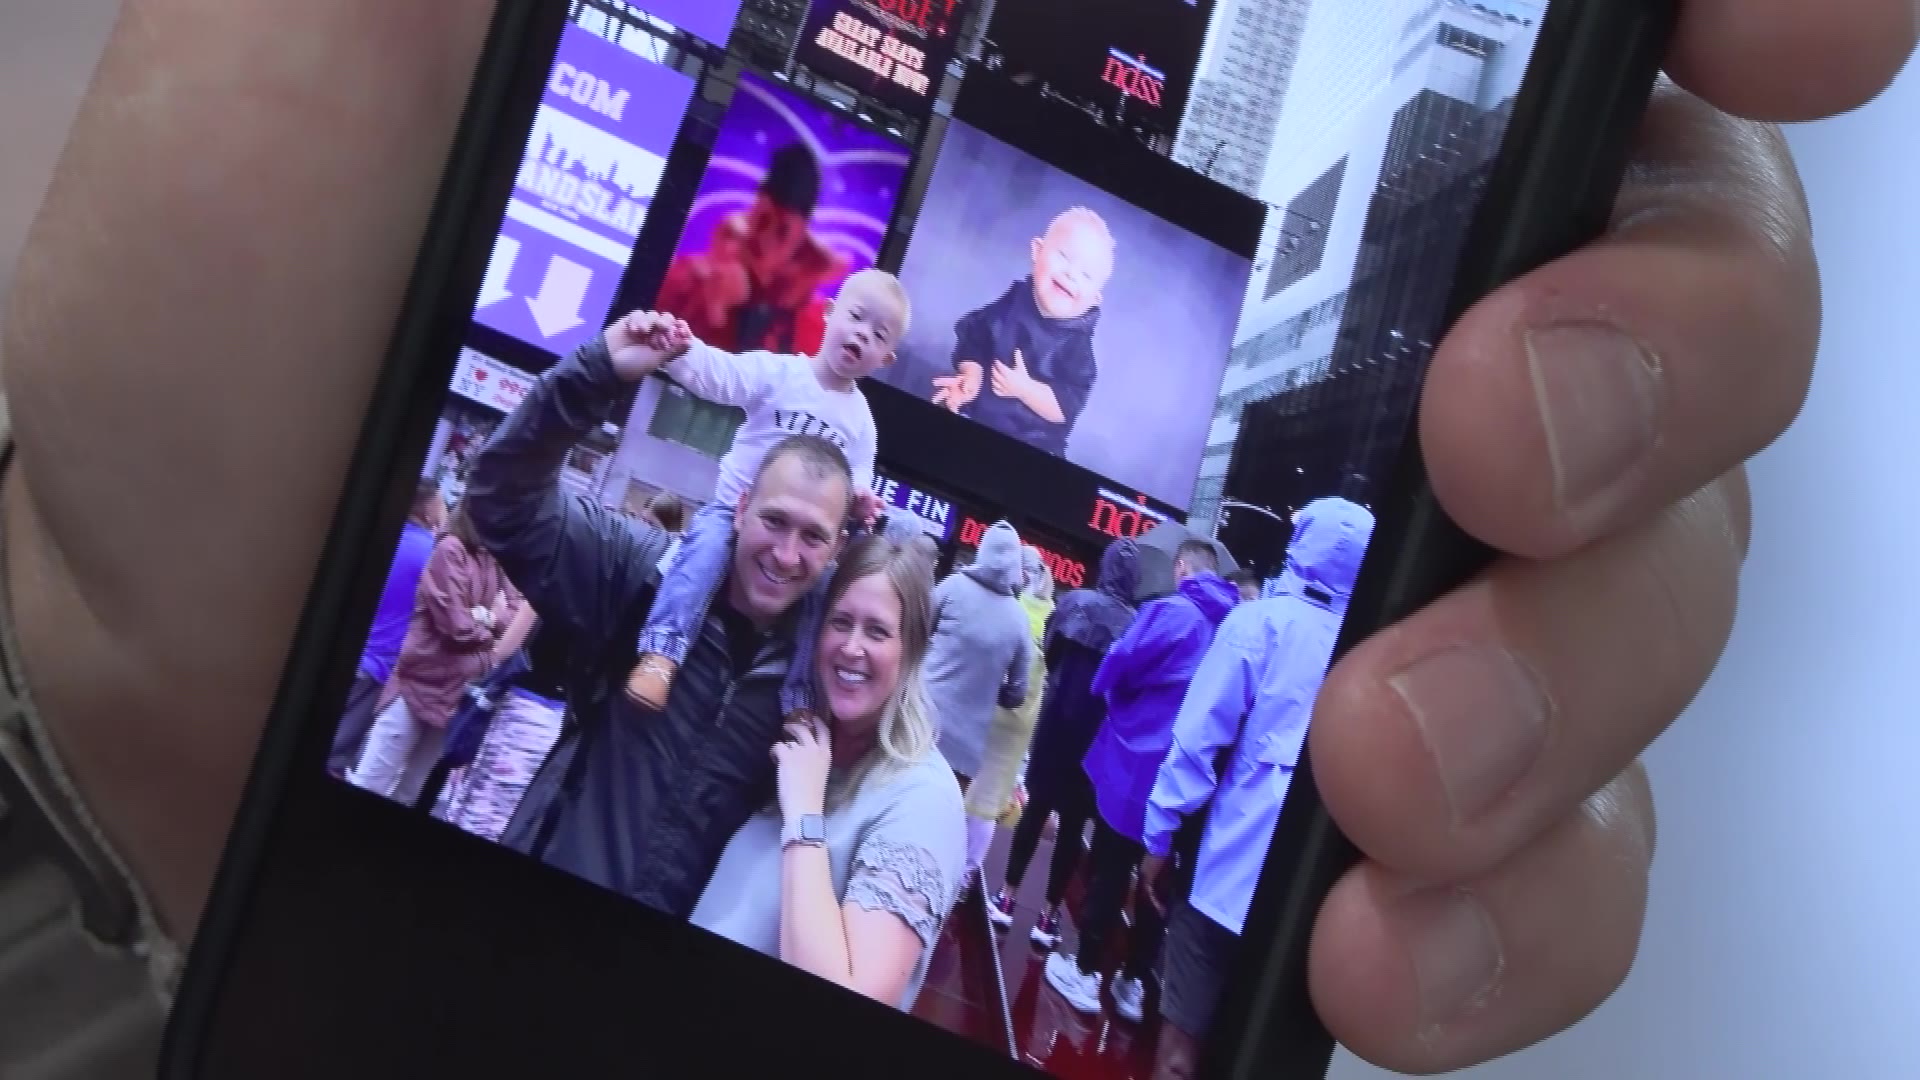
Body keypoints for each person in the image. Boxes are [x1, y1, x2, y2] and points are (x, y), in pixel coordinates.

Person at [0, 4, 1896, 1072]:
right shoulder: (663, 586)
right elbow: (522, 497)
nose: (793, 545)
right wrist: (594, 373)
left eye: (823, 538)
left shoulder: (841, 713)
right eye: (783, 510)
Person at [464, 307, 860, 915]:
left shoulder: (821, 679)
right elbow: (503, 501)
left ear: (837, 546)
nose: (786, 555)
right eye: (775, 521)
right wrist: (593, 374)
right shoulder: (640, 574)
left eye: (813, 537)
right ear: (741, 506)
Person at [1136, 498, 1376, 1076]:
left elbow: (1197, 741)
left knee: (1178, 1053)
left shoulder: (1257, 624)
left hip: (1223, 876)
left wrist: (1158, 838)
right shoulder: (1369, 651)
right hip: (1310, 911)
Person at [690, 537, 965, 1012]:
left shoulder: (924, 799)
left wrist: (803, 814)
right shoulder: (809, 743)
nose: (852, 648)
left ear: (912, 650)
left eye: (877, 632)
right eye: (841, 622)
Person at [623, 269, 903, 718]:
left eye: (878, 334)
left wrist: (862, 499)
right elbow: (721, 375)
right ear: (829, 314)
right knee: (702, 555)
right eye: (855, 317)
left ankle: (799, 703)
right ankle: (661, 655)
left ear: (885, 358)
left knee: (823, 597)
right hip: (732, 515)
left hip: (796, 539)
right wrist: (678, 349)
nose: (861, 334)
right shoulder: (780, 373)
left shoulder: (861, 423)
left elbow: (857, 480)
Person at [1045, 540, 1240, 1020]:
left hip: (1137, 765)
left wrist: (1115, 696)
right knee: (1158, 882)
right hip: (1193, 778)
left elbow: (1119, 663)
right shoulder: (1233, 627)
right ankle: (1132, 983)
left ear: (1181, 567)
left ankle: (1087, 972)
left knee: (1112, 867)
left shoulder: (1171, 611)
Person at [992, 539, 1143, 945]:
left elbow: (1050, 649)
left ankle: (1006, 897)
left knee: (1036, 808)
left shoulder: (1075, 602)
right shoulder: (1136, 624)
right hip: (1096, 740)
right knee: (1073, 827)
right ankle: (1047, 917)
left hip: (1056, 722)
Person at [346, 500, 522, 805]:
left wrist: (483, 619)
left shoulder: (495, 560)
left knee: (410, 792)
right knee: (372, 780)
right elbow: (456, 625)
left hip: (454, 696)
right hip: (418, 683)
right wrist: (490, 620)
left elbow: (515, 616)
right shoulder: (450, 549)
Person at [931, 207, 1116, 456]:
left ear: (1094, 299)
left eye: (1086, 275)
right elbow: (976, 336)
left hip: (1033, 444)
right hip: (981, 420)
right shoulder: (1014, 300)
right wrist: (971, 377)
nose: (1071, 274)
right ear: (1037, 251)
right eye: (1064, 256)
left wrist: (1024, 389)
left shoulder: (1078, 349)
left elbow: (1065, 408)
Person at [656, 143, 849, 357]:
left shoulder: (813, 324)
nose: (765, 240)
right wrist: (712, 309)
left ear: (802, 239)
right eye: (763, 221)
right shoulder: (688, 278)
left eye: (781, 232)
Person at [327, 478, 444, 777]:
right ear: (428, 510)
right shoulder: (430, 554)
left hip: (358, 652)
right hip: (380, 663)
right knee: (336, 754)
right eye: (441, 501)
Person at [925, 520, 1034, 809]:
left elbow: (917, 632)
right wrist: (990, 687)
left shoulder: (951, 587)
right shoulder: (1019, 620)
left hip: (918, 722)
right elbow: (1018, 693)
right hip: (965, 750)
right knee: (936, 822)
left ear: (982, 550)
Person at [962, 547, 1055, 885]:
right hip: (1022, 720)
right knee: (993, 797)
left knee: (967, 787)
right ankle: (968, 875)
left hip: (992, 705)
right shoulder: (1055, 616)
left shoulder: (1011, 610)